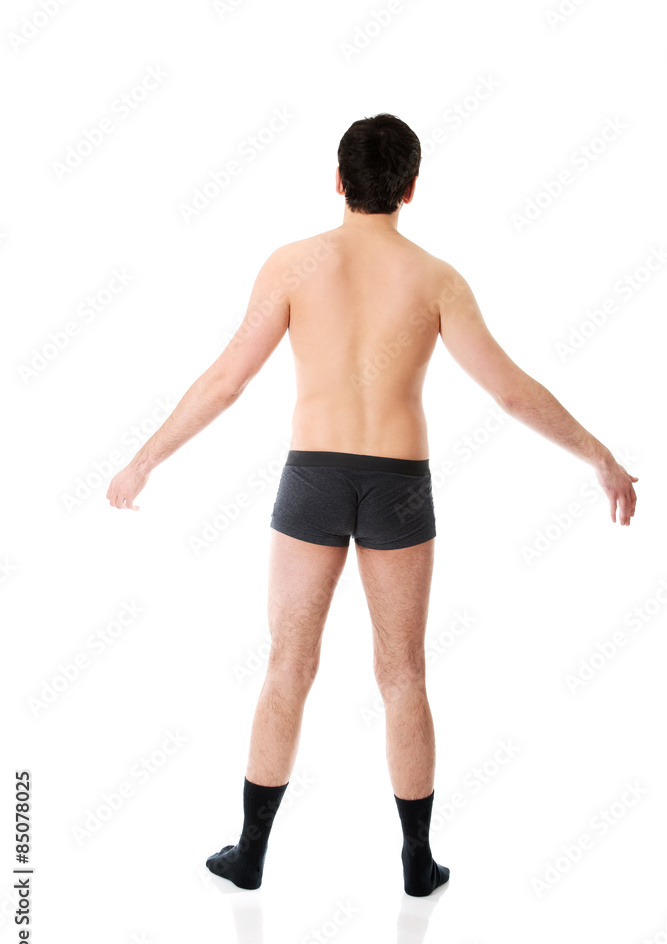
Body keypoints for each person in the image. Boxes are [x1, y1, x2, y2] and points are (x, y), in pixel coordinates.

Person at [106, 113, 638, 896]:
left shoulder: (292, 264)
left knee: (288, 665)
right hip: (398, 484)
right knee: (402, 674)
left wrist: (143, 461)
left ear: (336, 179)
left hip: (312, 477)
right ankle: (417, 862)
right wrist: (601, 458)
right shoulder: (435, 278)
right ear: (410, 188)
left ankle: (250, 854)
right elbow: (509, 392)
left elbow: (226, 381)